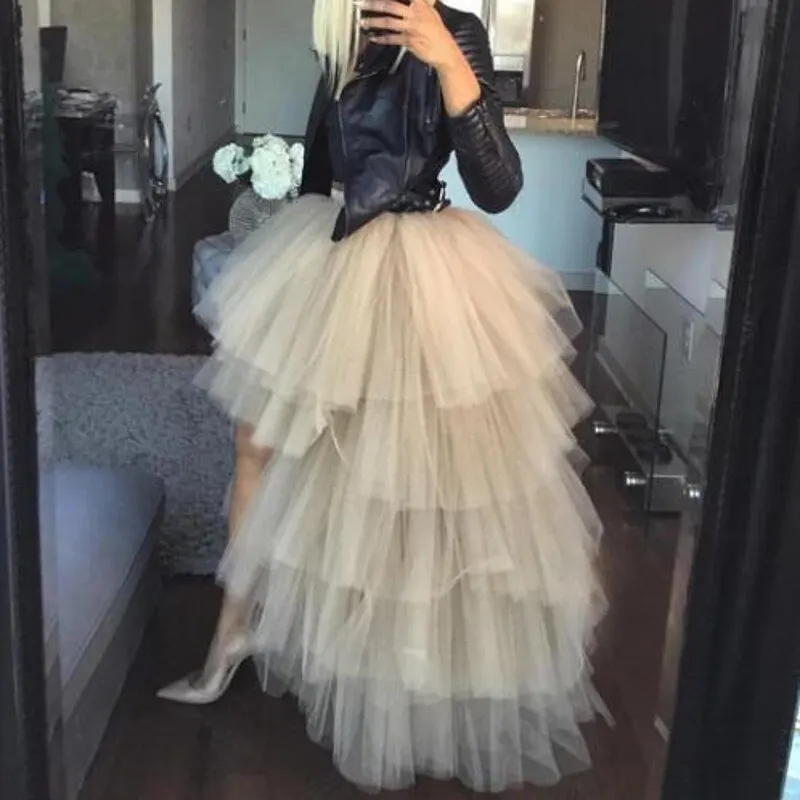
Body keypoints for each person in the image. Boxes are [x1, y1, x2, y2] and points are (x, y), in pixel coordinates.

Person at [158, 0, 609, 791]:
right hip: (332, 253)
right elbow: (319, 167)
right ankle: (234, 633)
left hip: (422, 272)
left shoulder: (456, 29)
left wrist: (448, 60)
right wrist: (282, 262)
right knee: (256, 442)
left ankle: (400, 669)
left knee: (405, 477)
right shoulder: (345, 29)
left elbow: (499, 186)